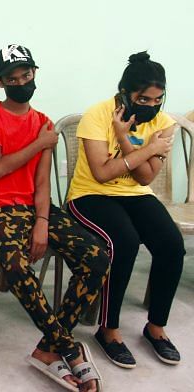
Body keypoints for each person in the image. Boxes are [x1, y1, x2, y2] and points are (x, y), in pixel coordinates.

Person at [0, 45, 110, 392]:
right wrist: (41, 143)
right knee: (16, 266)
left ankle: (48, 349)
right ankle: (68, 348)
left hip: (34, 208)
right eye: (12, 78)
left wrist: (42, 222)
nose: (20, 82)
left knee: (97, 257)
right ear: (0, 82)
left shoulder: (43, 122)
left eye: (26, 75)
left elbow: (43, 181)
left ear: (35, 73)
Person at [66, 52, 183, 368]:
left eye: (158, 99)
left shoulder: (164, 123)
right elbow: (102, 173)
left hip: (135, 193)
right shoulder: (98, 114)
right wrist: (149, 148)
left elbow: (144, 177)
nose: (151, 106)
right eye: (143, 99)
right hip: (90, 195)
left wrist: (124, 139)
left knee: (172, 245)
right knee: (125, 242)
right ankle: (109, 329)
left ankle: (156, 327)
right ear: (124, 92)